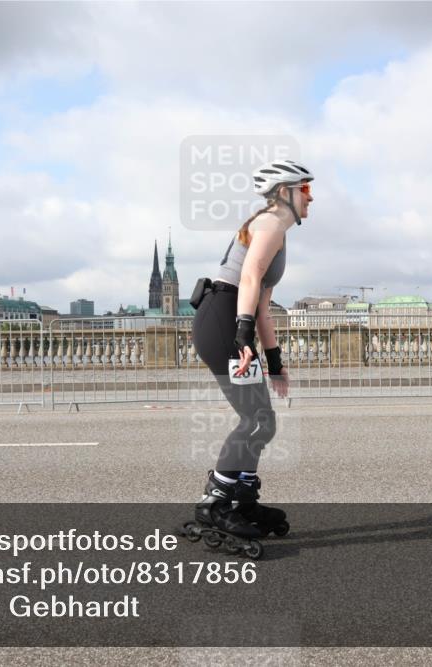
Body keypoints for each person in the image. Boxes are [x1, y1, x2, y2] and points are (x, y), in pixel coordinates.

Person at [189, 159, 314, 544]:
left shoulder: (278, 230)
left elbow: (262, 306)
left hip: (232, 317)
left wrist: (274, 362)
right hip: (223, 318)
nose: (311, 196)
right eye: (304, 188)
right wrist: (243, 339)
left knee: (264, 420)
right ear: (284, 192)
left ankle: (241, 499)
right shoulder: (270, 223)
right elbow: (247, 277)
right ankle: (216, 503)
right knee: (253, 419)